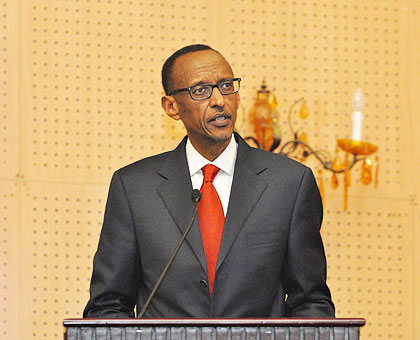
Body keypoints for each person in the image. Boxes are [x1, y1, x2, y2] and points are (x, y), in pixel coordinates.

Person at [83, 44, 335, 318]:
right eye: (200, 90)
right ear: (172, 107)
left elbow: (311, 305)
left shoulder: (289, 184)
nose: (219, 100)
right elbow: (107, 307)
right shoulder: (134, 189)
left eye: (227, 86)